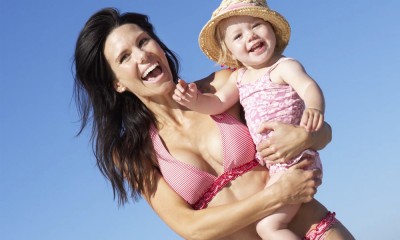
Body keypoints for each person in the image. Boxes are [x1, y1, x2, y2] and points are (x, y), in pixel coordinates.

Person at [73, 7, 354, 240]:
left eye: (143, 41)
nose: (142, 55)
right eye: (125, 57)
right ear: (117, 83)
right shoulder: (133, 152)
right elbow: (190, 227)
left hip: (314, 230)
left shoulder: (222, 86)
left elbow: (321, 130)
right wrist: (278, 195)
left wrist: (305, 139)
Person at [173, 0, 325, 239]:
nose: (250, 36)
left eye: (256, 25)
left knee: (269, 227)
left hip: (295, 158)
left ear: (272, 29)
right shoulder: (240, 78)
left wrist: (315, 107)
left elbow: (308, 86)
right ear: (229, 52)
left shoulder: (283, 66)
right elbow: (218, 103)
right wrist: (194, 101)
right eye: (238, 35)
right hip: (277, 166)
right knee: (271, 222)